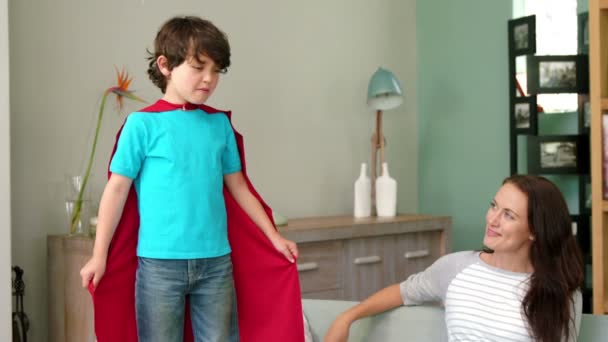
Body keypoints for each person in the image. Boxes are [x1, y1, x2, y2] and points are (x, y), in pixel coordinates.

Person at [80, 16, 300, 342]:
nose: (209, 79)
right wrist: (100, 255)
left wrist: (273, 237)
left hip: (216, 263)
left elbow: (239, 188)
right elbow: (117, 189)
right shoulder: (141, 126)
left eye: (216, 70)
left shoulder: (218, 127)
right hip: (159, 266)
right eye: (199, 67)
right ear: (165, 65)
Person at [325, 174, 584, 342]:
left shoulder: (560, 292)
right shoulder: (457, 267)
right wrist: (348, 317)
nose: (492, 220)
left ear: (535, 231)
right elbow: (403, 291)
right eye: (494, 206)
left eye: (508, 215)